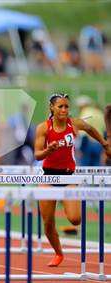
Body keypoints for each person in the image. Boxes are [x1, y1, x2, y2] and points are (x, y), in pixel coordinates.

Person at [34, 93, 111, 267]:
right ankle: (58, 253)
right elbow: (37, 155)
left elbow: (90, 129)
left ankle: (66, 203)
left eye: (66, 106)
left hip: (68, 176)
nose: (64, 110)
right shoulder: (43, 128)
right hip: (49, 176)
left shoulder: (74, 124)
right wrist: (48, 150)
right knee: (47, 222)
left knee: (75, 219)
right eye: (60, 106)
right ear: (52, 108)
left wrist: (105, 144)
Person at [75, 95, 106, 166]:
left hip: (87, 144)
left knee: (84, 169)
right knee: (97, 168)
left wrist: (81, 148)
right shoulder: (99, 113)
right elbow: (104, 130)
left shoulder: (85, 114)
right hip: (99, 144)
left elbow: (83, 133)